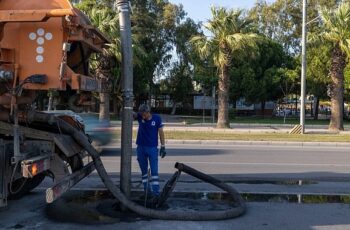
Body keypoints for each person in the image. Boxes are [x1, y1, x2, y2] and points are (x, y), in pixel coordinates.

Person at [135, 104, 166, 198]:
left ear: (148, 112)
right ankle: (147, 191)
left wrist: (163, 146)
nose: (143, 116)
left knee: (154, 171)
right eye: (141, 114)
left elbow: (161, 132)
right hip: (140, 148)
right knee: (144, 172)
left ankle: (156, 193)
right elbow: (131, 114)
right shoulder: (140, 117)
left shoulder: (157, 119)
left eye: (144, 114)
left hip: (152, 148)